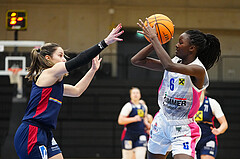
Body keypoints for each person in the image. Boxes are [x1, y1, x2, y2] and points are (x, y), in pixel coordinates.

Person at [14, 24, 124, 159]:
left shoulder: (55, 85)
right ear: (48, 58)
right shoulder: (48, 73)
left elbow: (77, 91)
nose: (64, 59)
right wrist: (105, 42)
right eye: (60, 55)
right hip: (31, 131)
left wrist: (93, 70)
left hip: (45, 132)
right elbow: (79, 60)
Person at [131, 18, 221, 159]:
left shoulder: (198, 70)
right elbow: (136, 60)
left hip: (183, 127)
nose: (176, 45)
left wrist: (154, 38)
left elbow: (169, 66)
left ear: (192, 48)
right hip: (162, 121)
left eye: (181, 42)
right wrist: (156, 42)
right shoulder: (174, 61)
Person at [118, 87, 151, 159]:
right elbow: (120, 120)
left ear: (140, 95)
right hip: (129, 135)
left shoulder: (144, 107)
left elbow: (144, 117)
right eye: (134, 93)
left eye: (137, 93)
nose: (135, 94)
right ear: (130, 95)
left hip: (141, 134)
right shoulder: (128, 106)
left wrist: (147, 123)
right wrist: (133, 119)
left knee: (140, 156)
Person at [195, 89, 228, 159]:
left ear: (204, 87)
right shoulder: (186, 103)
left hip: (207, 138)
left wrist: (219, 130)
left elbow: (224, 124)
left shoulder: (211, 102)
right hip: (191, 139)